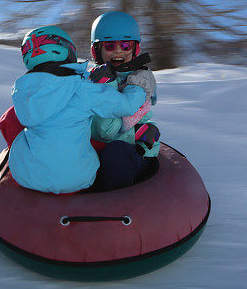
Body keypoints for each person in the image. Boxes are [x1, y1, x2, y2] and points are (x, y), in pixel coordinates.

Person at [8, 25, 148, 195]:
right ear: (66, 50)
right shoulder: (81, 88)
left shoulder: (22, 91)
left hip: (25, 175)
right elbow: (126, 106)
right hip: (77, 179)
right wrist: (138, 87)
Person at [88, 11, 160, 190]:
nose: (118, 50)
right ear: (97, 50)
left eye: (126, 45)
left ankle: (112, 206)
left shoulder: (140, 80)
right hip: (95, 144)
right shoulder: (93, 76)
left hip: (127, 147)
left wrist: (108, 84)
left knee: (116, 153)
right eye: (110, 45)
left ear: (135, 49)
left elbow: (109, 130)